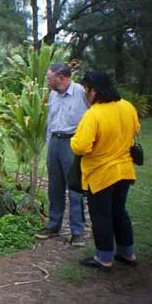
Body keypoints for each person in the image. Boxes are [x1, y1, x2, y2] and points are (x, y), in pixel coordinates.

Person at [71, 70, 140, 271]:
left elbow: (81, 146)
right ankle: (128, 253)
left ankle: (104, 258)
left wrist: (74, 140)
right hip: (125, 171)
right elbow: (136, 127)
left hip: (101, 174)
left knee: (101, 215)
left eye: (85, 89)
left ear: (94, 91)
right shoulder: (127, 106)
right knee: (119, 212)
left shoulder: (94, 114)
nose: (84, 93)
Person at [35, 62, 89, 246]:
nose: (48, 82)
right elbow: (51, 119)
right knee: (54, 186)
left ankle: (78, 231)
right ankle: (53, 225)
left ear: (61, 78)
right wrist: (50, 143)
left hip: (73, 142)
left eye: (49, 78)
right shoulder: (53, 94)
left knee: (74, 187)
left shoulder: (82, 93)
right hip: (55, 143)